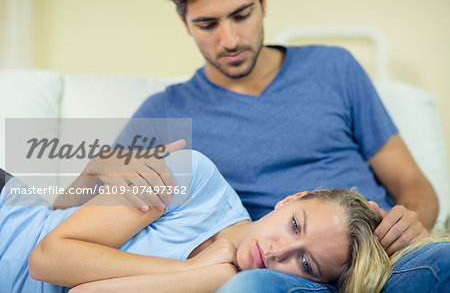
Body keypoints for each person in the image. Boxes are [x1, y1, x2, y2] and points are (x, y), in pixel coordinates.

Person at [61, 0, 445, 291]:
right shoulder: (165, 110)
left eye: (241, 15)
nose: (229, 40)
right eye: (207, 24)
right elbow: (59, 212)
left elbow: (412, 183)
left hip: (386, 258)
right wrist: (99, 164)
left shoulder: (334, 68)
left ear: (263, 1)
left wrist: (409, 221)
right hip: (286, 273)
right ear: (184, 23)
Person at [1, 153, 447, 293]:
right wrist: (187, 269)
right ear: (291, 198)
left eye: (305, 263)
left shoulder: (229, 284)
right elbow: (47, 256)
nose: (276, 252)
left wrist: (207, 275)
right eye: (295, 225)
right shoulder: (193, 177)